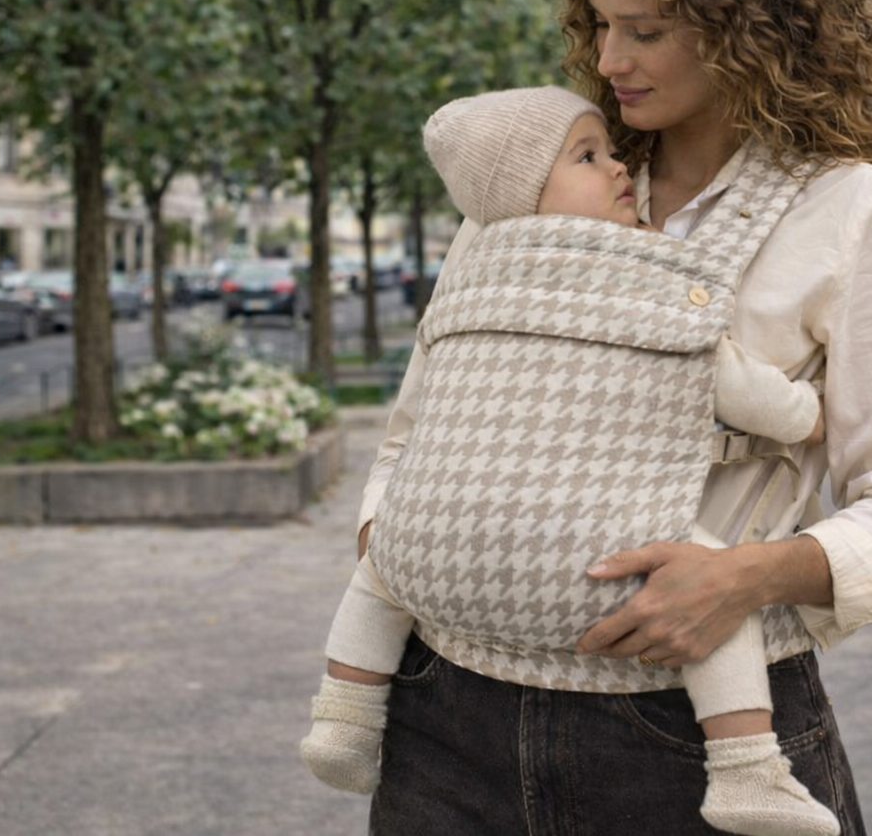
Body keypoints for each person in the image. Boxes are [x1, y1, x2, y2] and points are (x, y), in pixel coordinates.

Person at [338, 0, 872, 836]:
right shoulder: (532, 193)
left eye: (645, 30)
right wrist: (397, 539)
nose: (608, 61)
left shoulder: (855, 210)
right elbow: (414, 431)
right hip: (446, 716)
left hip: (694, 731)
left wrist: (742, 577)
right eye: (599, 25)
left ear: (750, 27)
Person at [302, 86, 838, 836]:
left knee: (383, 574)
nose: (617, 166)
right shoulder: (646, 279)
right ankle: (746, 766)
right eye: (587, 156)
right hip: (604, 550)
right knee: (713, 582)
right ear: (521, 195)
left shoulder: (471, 281)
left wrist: (391, 531)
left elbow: (413, 424)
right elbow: (725, 376)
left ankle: (345, 715)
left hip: (448, 532)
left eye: (608, 150)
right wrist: (804, 413)